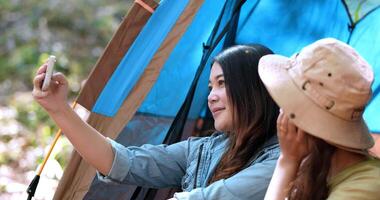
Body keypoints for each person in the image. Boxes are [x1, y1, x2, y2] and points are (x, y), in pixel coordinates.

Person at [33, 44, 280, 199]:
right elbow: (122, 163)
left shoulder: (280, 157)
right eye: (210, 86)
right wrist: (59, 109)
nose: (211, 96)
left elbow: (217, 196)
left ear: (252, 88)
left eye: (222, 83)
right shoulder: (206, 149)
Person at [259, 38, 380, 200]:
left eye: (287, 103)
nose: (282, 113)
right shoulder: (316, 167)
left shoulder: (366, 187)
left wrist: (287, 162)